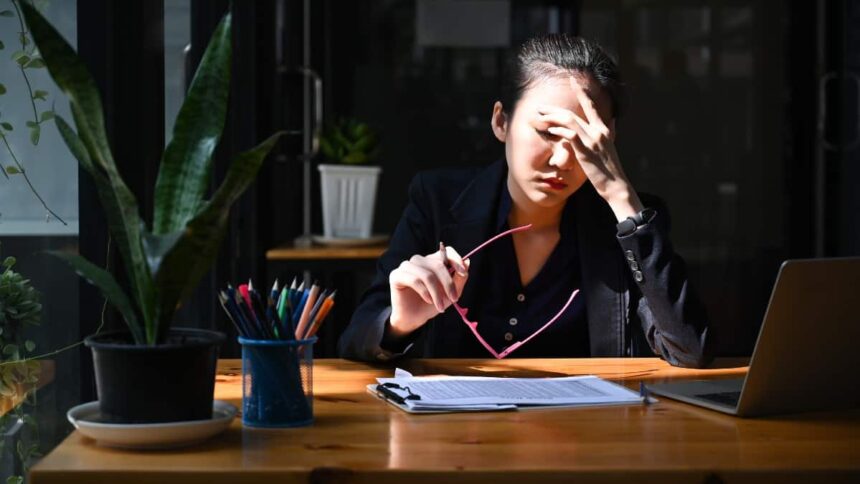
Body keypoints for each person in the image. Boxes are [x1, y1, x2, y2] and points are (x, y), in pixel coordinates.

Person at [338, 34, 711, 368]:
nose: (563, 159)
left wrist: (620, 197)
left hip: (589, 437)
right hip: (456, 437)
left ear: (608, 139)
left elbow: (688, 349)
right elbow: (356, 338)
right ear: (501, 122)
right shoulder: (436, 200)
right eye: (548, 132)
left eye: (583, 140)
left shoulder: (629, 225)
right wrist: (400, 324)